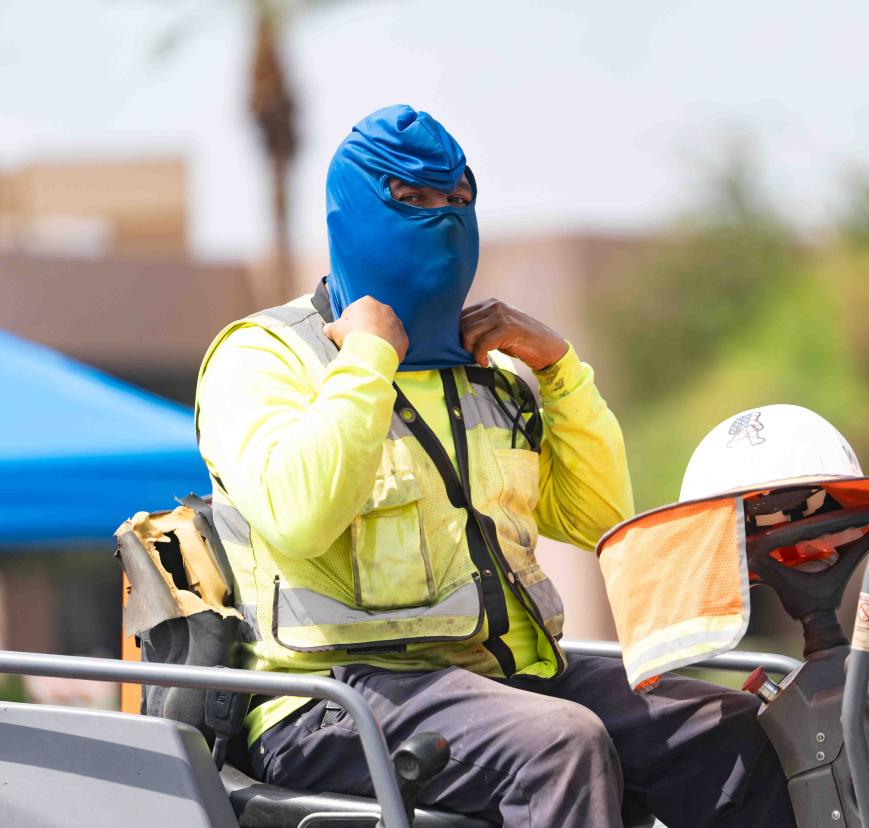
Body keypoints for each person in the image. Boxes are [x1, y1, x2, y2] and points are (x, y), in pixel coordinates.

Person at [194, 104, 795, 828]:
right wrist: (368, 357)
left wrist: (564, 373)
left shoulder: (490, 371)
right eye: (413, 200)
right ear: (353, 213)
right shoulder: (264, 356)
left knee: (724, 727)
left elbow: (599, 520)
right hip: (330, 699)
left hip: (505, 679)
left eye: (457, 199)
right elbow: (299, 514)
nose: (442, 219)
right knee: (559, 745)